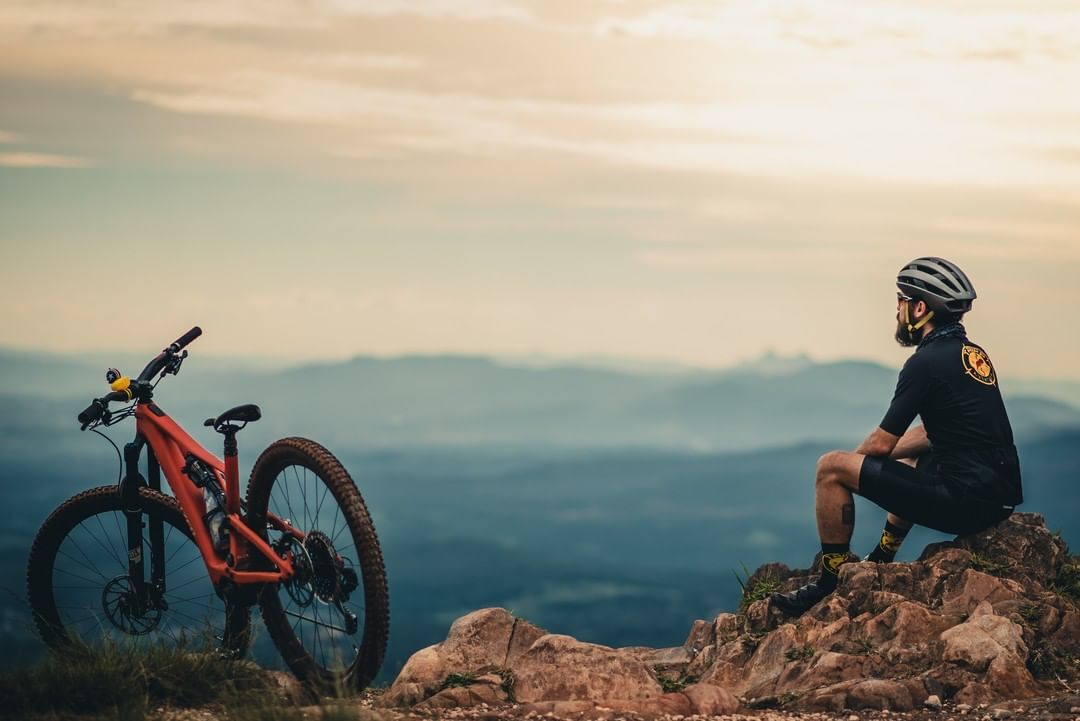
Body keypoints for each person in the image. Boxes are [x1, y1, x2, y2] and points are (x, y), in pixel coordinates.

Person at [771, 257, 1023, 617]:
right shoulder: (972, 355)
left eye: (901, 302)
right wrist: (875, 463)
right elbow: (939, 435)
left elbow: (880, 444)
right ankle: (883, 556)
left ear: (920, 308)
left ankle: (832, 579)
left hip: (964, 503)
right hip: (996, 498)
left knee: (829, 467)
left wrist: (851, 465)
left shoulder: (925, 363)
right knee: (907, 458)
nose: (897, 312)